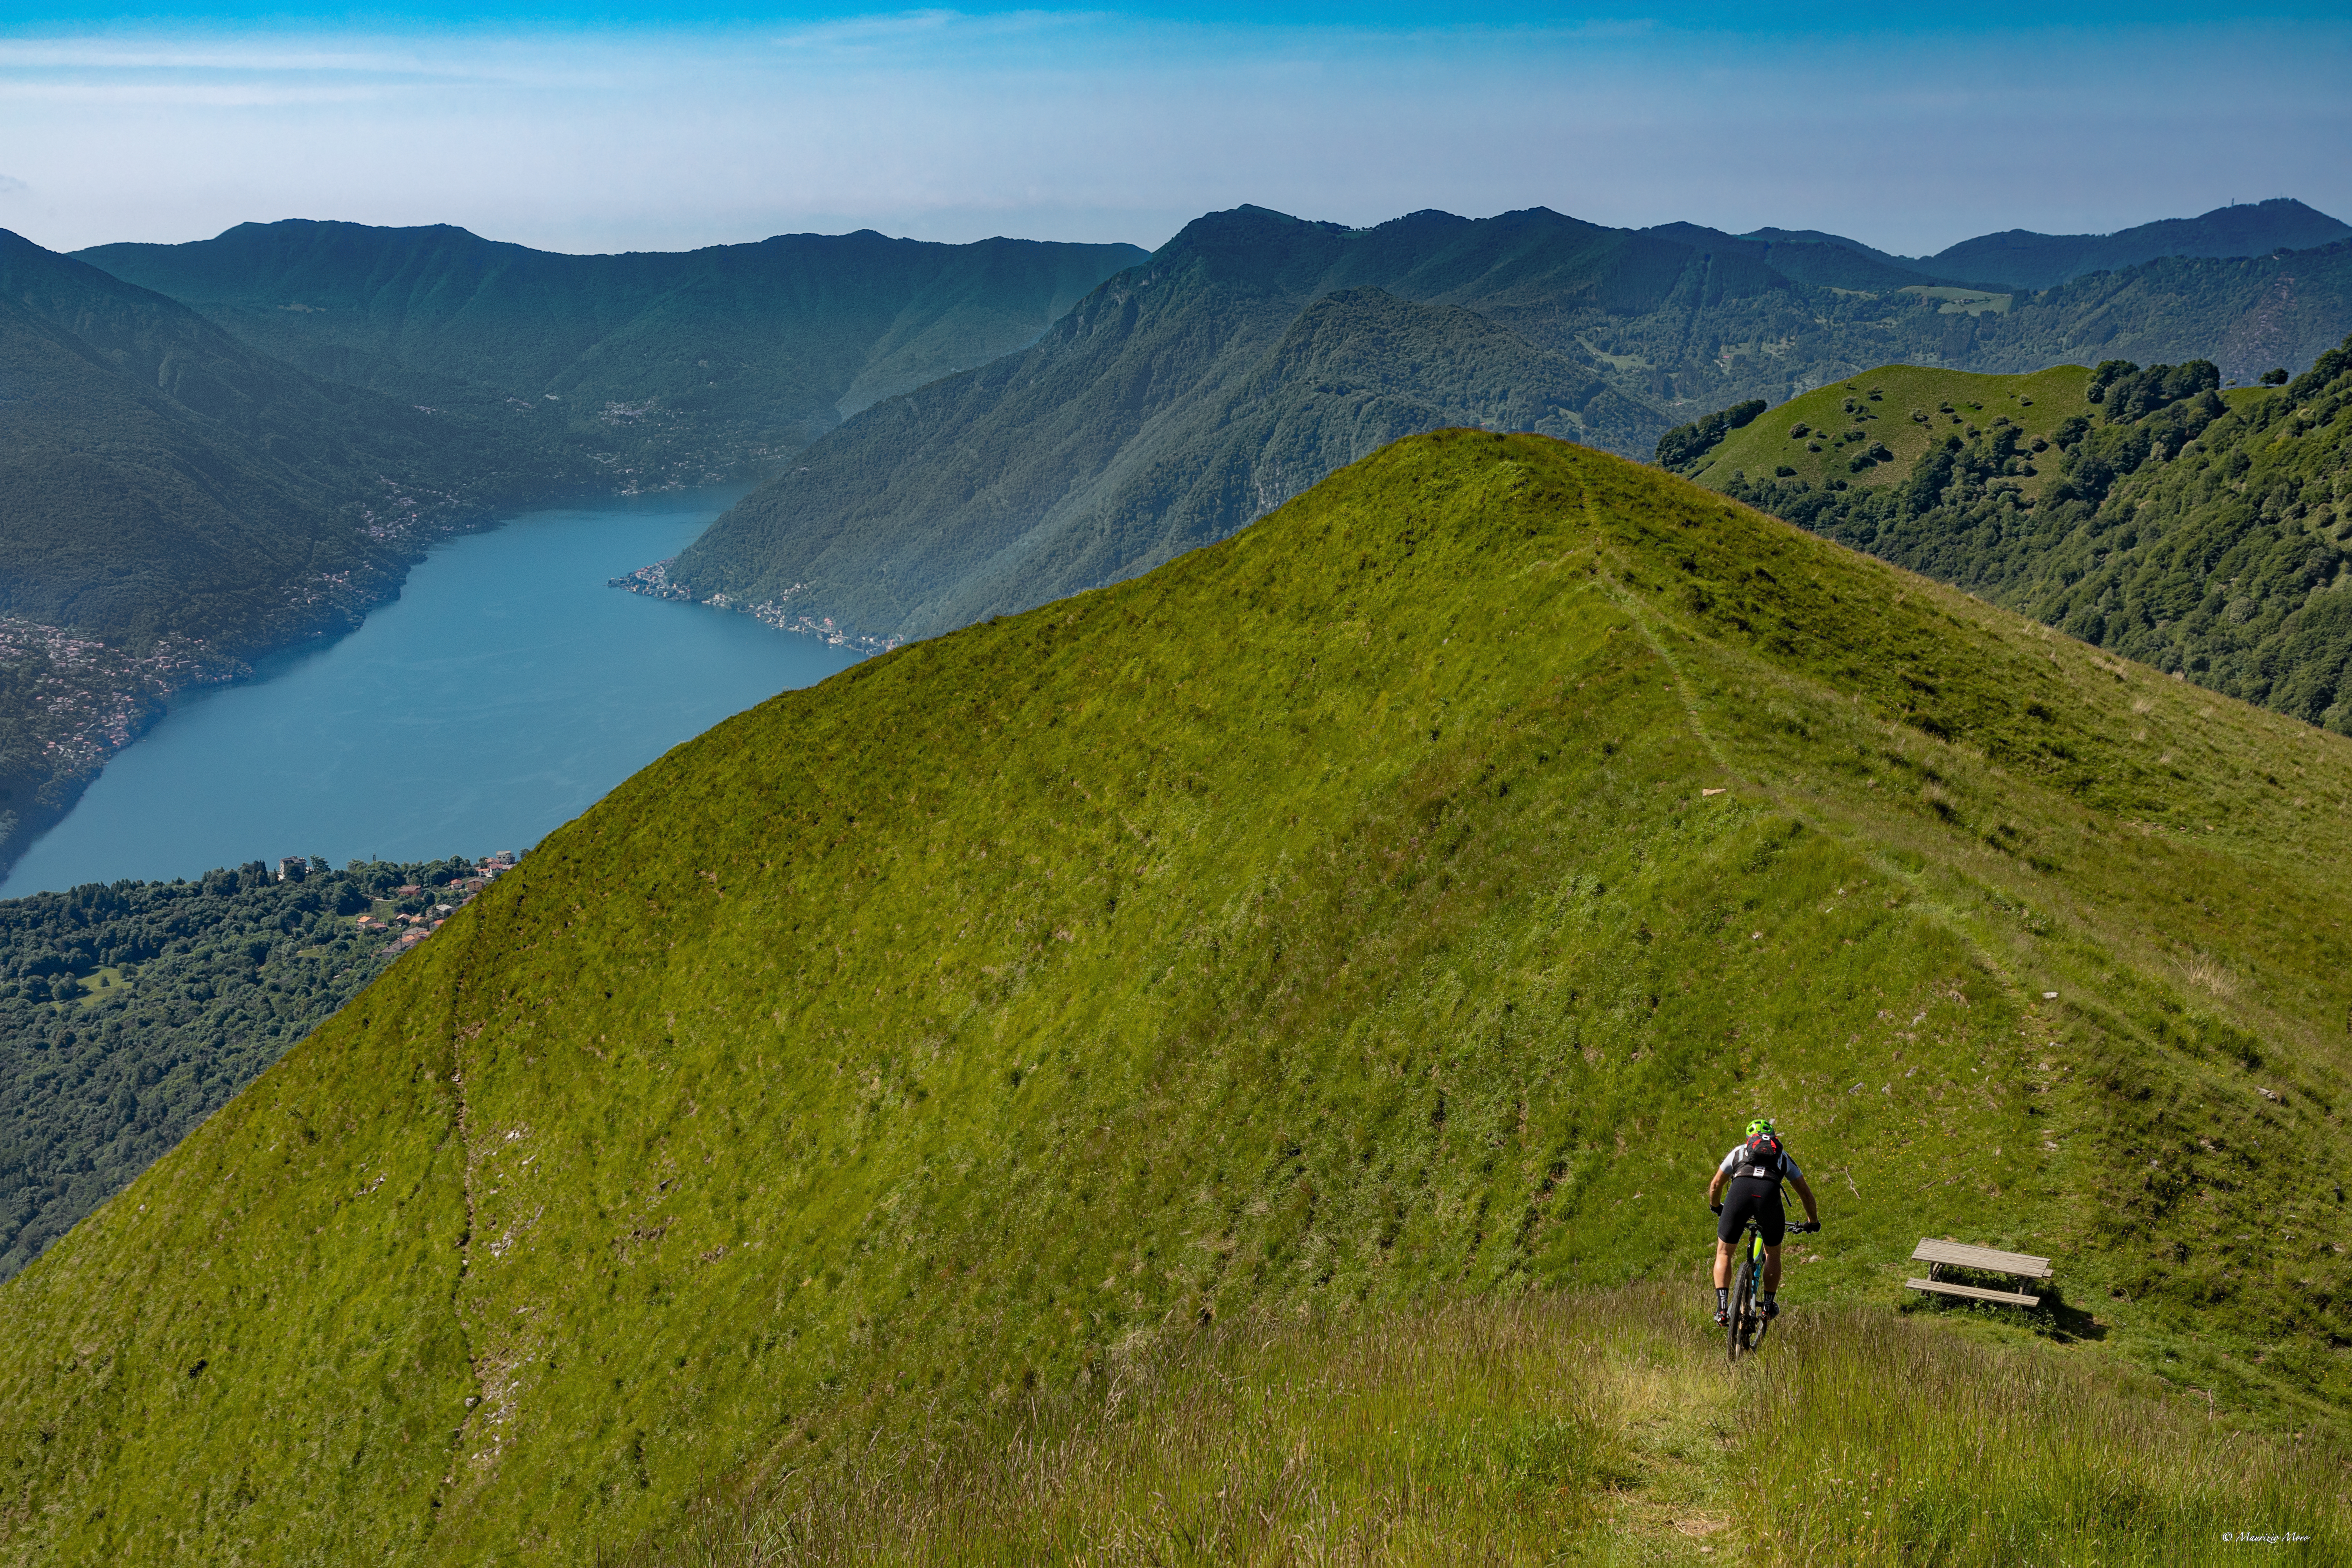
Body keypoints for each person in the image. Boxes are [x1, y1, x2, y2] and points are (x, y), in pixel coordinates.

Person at [1706, 1116, 1820, 1324]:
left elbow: (1715, 1186)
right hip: (1768, 1196)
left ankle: (1722, 1310)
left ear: (1750, 1139)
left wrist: (1716, 1206)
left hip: (1739, 1193)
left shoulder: (1739, 1152)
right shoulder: (1783, 1157)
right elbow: (1806, 1194)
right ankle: (1767, 1308)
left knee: (1724, 1252)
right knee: (1772, 1253)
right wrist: (1813, 1222)